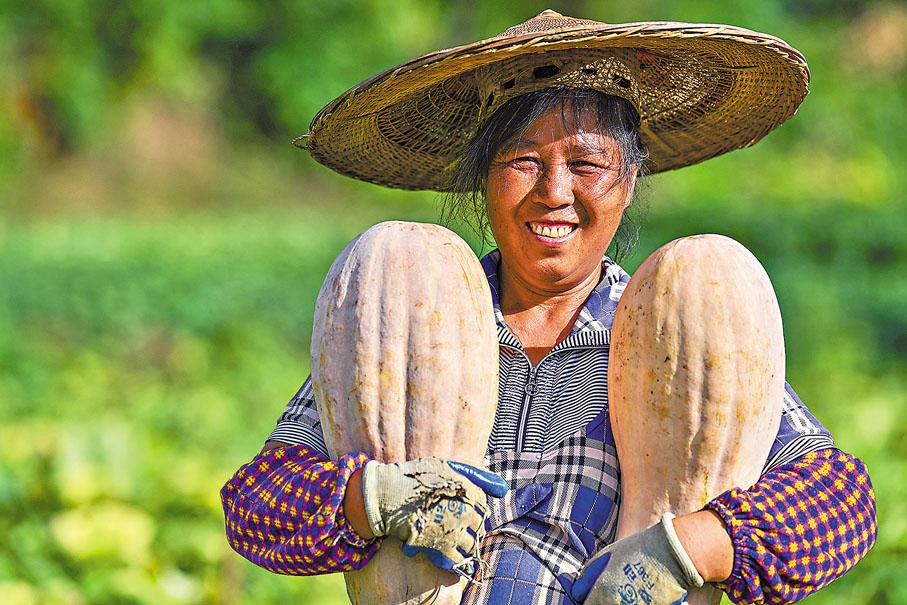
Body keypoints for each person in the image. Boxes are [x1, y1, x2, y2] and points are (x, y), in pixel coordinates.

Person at [221, 10, 876, 604]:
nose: (554, 192)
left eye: (586, 164)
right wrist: (374, 499)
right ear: (484, 178)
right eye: (522, 160)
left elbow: (840, 506)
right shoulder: (407, 320)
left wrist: (688, 550)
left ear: (629, 181)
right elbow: (256, 506)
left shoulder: (679, 330)